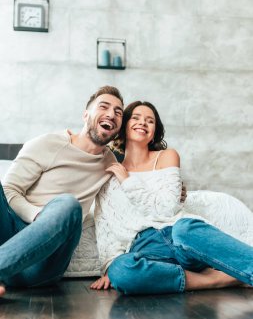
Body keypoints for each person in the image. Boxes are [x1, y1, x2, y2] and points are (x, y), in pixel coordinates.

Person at [91, 101, 253, 294]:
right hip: (145, 248)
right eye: (135, 118)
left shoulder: (167, 156)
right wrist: (109, 267)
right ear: (123, 125)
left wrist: (128, 182)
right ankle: (216, 279)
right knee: (121, 270)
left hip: (179, 234)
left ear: (154, 131)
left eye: (149, 120)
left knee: (186, 228)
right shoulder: (110, 176)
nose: (142, 122)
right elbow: (105, 227)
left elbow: (167, 209)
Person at [0, 85, 124, 297]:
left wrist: (178, 189)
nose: (111, 114)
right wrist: (38, 215)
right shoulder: (47, 144)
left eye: (118, 112)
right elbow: (10, 190)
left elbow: (143, 182)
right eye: (104, 106)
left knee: (68, 204)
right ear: (86, 115)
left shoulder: (112, 164)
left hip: (44, 264)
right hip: (10, 235)